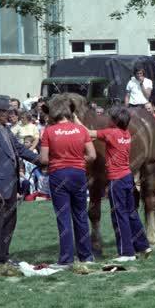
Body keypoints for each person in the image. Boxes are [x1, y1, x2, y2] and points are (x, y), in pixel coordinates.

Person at [78, 106, 152, 262]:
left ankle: (126, 253)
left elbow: (87, 132)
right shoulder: (126, 134)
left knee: (119, 216)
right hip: (127, 177)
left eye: (110, 117)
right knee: (131, 213)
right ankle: (143, 245)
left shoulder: (110, 133)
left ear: (115, 121)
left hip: (116, 180)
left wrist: (75, 118)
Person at [0, 95, 41, 266]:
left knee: (8, 222)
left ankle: (3, 256)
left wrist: (40, 160)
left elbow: (20, 149)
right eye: (6, 111)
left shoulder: (5, 130)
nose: (9, 114)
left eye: (9, 111)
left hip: (10, 186)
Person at [40, 97, 96, 269]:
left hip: (58, 174)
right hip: (78, 173)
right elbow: (92, 156)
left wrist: (55, 161)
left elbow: (43, 159)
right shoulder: (81, 130)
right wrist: (78, 160)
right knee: (80, 215)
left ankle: (66, 258)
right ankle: (86, 256)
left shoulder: (49, 132)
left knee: (63, 217)